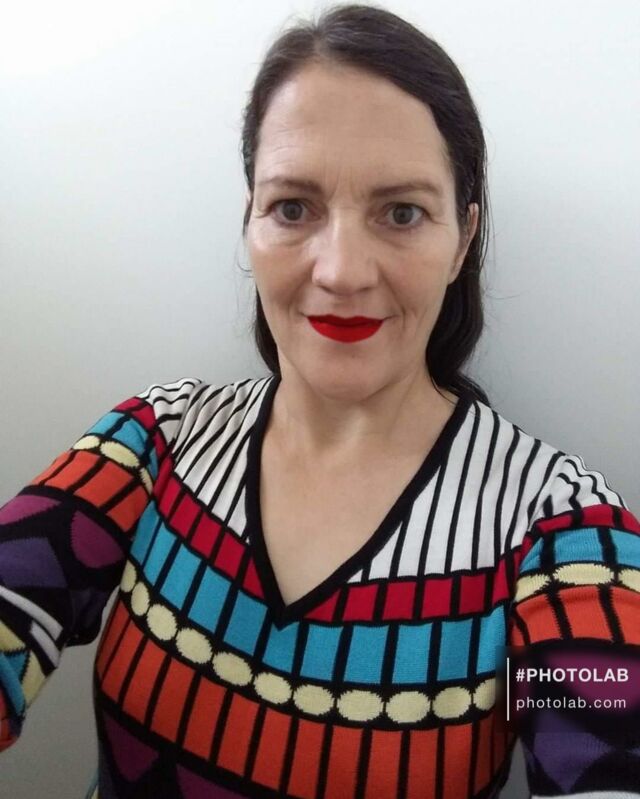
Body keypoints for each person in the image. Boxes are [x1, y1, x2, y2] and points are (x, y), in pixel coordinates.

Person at [1, 4, 639, 798]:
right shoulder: (153, 440)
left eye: (401, 212)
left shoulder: (562, 532)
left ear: (463, 238)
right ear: (249, 219)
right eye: (293, 208)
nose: (340, 271)